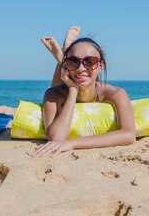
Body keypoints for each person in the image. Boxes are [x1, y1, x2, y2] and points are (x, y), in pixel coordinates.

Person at [35, 28, 136, 156]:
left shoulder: (116, 93)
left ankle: (64, 54)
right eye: (74, 61)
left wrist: (72, 143)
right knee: (61, 82)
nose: (81, 68)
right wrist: (72, 91)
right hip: (65, 86)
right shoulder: (53, 94)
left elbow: (129, 134)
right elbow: (56, 138)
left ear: (100, 66)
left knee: (76, 73)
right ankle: (64, 56)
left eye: (90, 62)